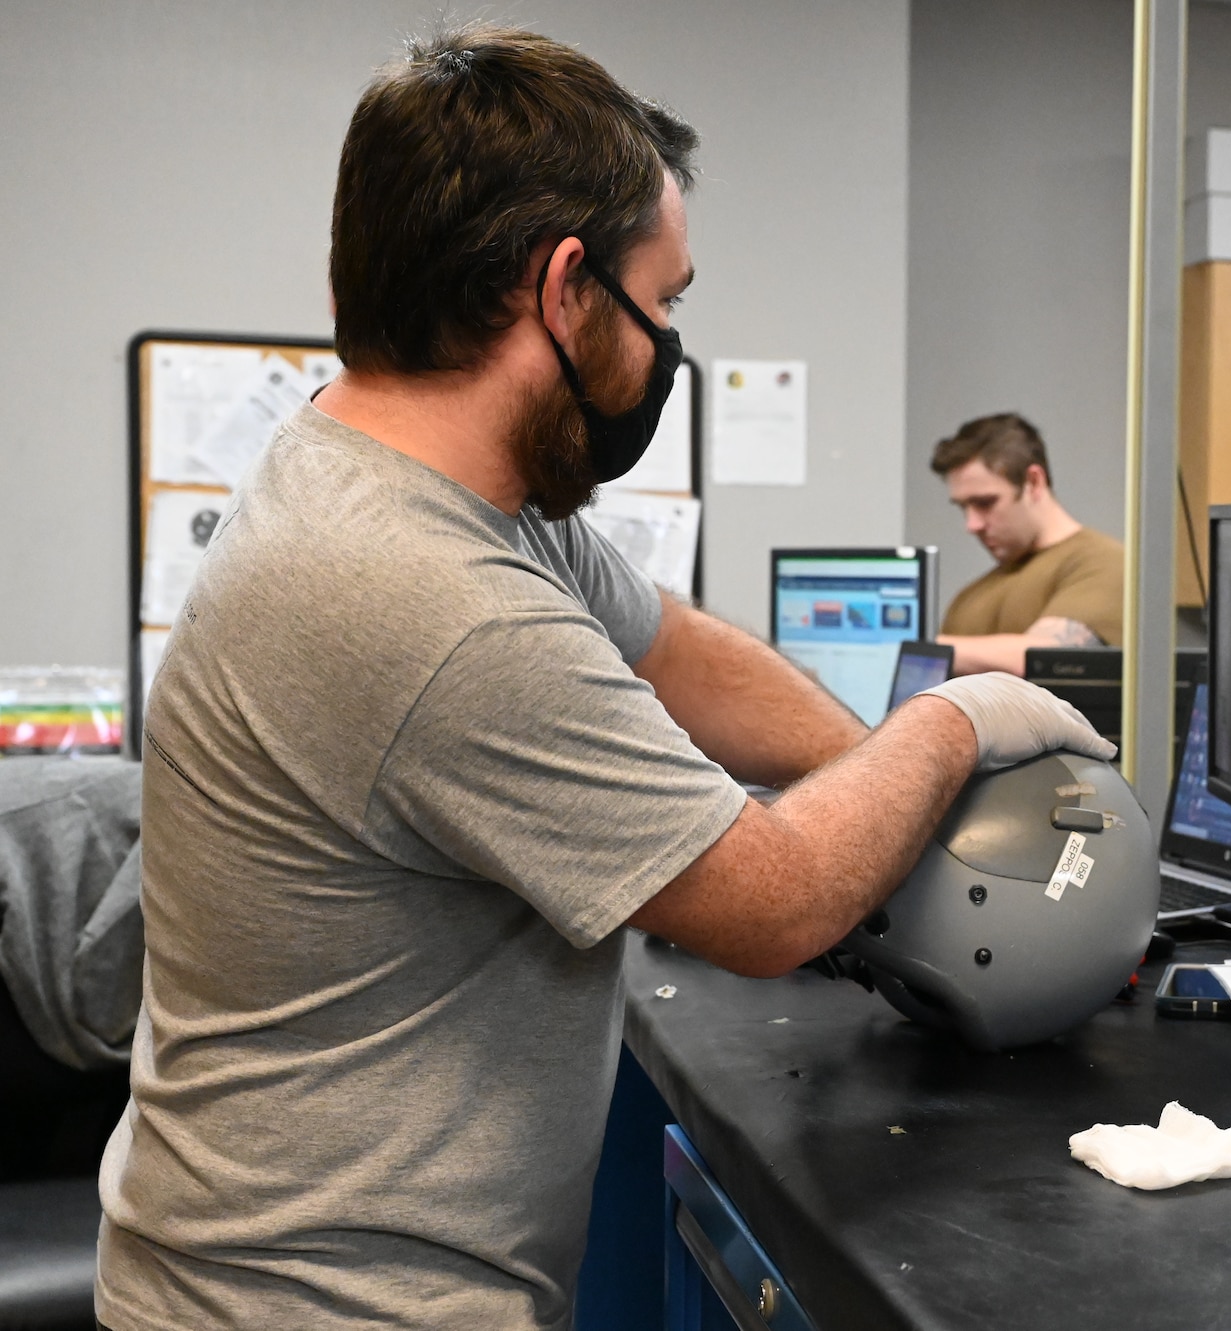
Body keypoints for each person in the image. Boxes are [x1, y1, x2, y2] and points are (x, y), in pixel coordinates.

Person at [94, 27, 1110, 1331]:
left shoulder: (430, 490)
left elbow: (671, 647)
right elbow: (773, 901)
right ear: (562, 286)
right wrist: (955, 724)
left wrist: (868, 772)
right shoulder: (426, 598)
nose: (671, 342)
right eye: (666, 300)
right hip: (327, 1301)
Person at [931, 413, 1124, 675]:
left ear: (1033, 482)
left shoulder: (1103, 562)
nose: (972, 524)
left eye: (985, 503)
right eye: (963, 507)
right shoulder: (970, 597)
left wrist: (913, 648)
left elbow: (1045, 659)